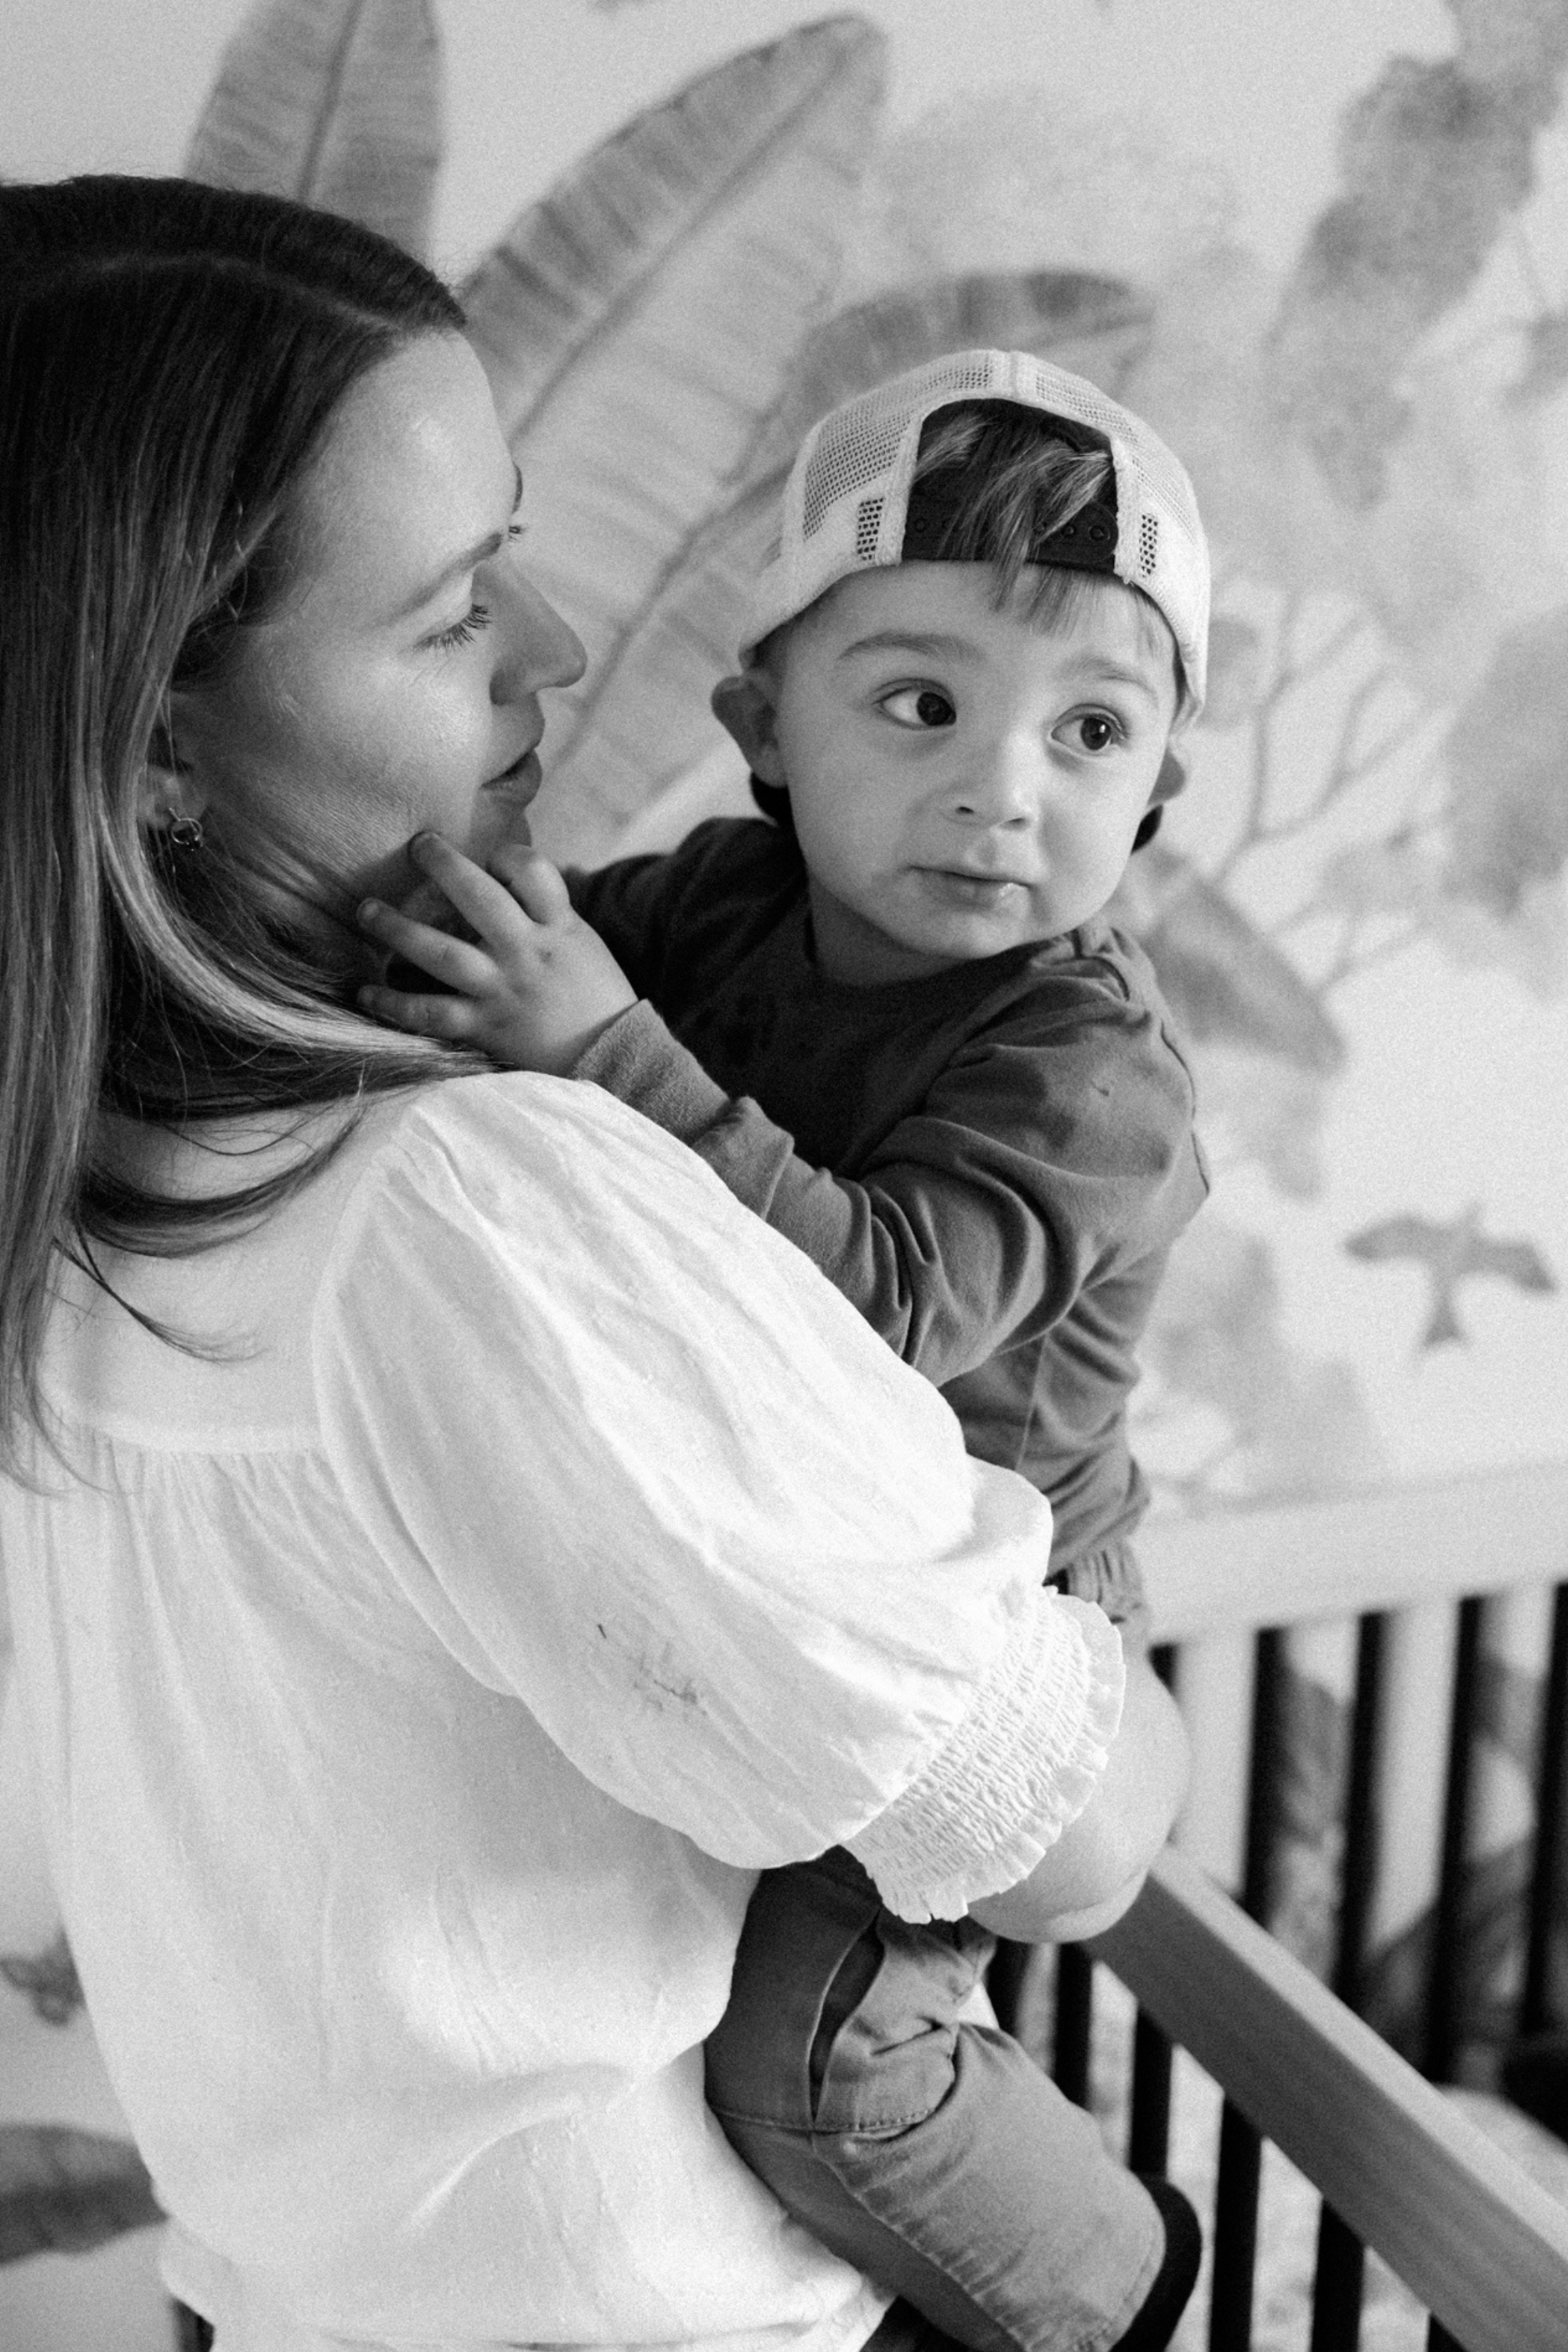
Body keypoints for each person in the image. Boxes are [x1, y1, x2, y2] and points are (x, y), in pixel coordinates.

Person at [0, 184, 1190, 2352]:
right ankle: (1113, 2289)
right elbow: (1075, 1839)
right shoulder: (473, 1205)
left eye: (1091, 735)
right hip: (623, 2300)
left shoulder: (81, 1175)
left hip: (293, 2280)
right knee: (843, 2055)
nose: (554, 651)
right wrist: (1141, 1748)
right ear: (154, 732)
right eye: (456, 610)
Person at [356, 352, 1210, 2351]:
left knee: (813, 2064)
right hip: (777, 1564)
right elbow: (527, 952)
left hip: (988, 1602)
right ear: (763, 726)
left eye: (1091, 731)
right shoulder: (722, 908)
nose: (1002, 789)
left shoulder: (1089, 1069)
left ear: (1159, 785)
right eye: (920, 705)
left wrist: (601, 1046)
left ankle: (1113, 2281)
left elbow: (886, 1312)